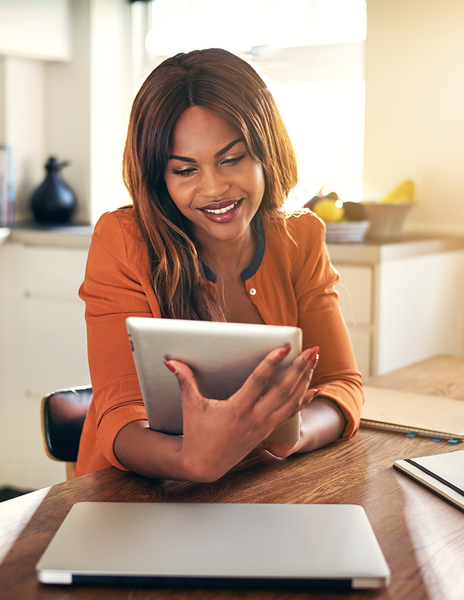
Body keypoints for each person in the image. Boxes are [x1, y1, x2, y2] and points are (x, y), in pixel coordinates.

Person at [75, 48, 363, 481]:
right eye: (185, 170)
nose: (213, 188)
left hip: (257, 481)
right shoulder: (123, 240)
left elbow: (343, 384)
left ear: (267, 151)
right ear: (160, 179)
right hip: (140, 494)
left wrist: (293, 435)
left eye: (231, 159)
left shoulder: (300, 237)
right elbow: (118, 416)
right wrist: (193, 461)